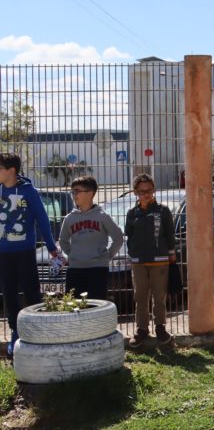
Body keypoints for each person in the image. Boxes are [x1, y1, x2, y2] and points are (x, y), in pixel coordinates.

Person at [0, 152, 61, 358]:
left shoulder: (29, 192)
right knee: (9, 294)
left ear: (11, 170)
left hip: (25, 252)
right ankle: (16, 332)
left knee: (32, 292)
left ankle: (38, 330)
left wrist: (52, 247)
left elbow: (42, 220)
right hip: (3, 254)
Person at [124, 173, 176, 348]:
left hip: (160, 260)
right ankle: (141, 329)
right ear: (135, 192)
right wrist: (132, 254)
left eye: (149, 190)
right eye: (142, 191)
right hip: (138, 261)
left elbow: (170, 234)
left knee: (159, 296)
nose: (146, 194)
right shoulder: (132, 213)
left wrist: (171, 254)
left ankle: (160, 327)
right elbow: (128, 235)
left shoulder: (163, 210)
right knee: (140, 296)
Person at [58, 176, 124, 302]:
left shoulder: (102, 216)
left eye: (77, 191)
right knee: (74, 306)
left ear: (90, 193)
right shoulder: (70, 218)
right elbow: (63, 241)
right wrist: (73, 255)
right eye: (72, 192)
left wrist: (106, 256)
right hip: (75, 269)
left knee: (96, 305)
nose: (74, 195)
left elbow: (118, 238)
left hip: (97, 269)